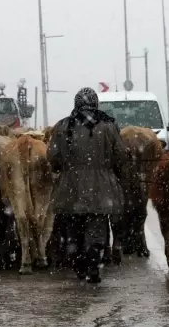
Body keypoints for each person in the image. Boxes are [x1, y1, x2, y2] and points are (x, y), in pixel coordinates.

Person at [47, 87, 127, 283]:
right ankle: (93, 265)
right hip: (101, 187)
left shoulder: (63, 126)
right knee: (97, 227)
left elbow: (53, 157)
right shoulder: (109, 126)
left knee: (73, 228)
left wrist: (64, 167)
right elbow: (120, 156)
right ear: (96, 103)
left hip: (70, 187)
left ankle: (78, 264)